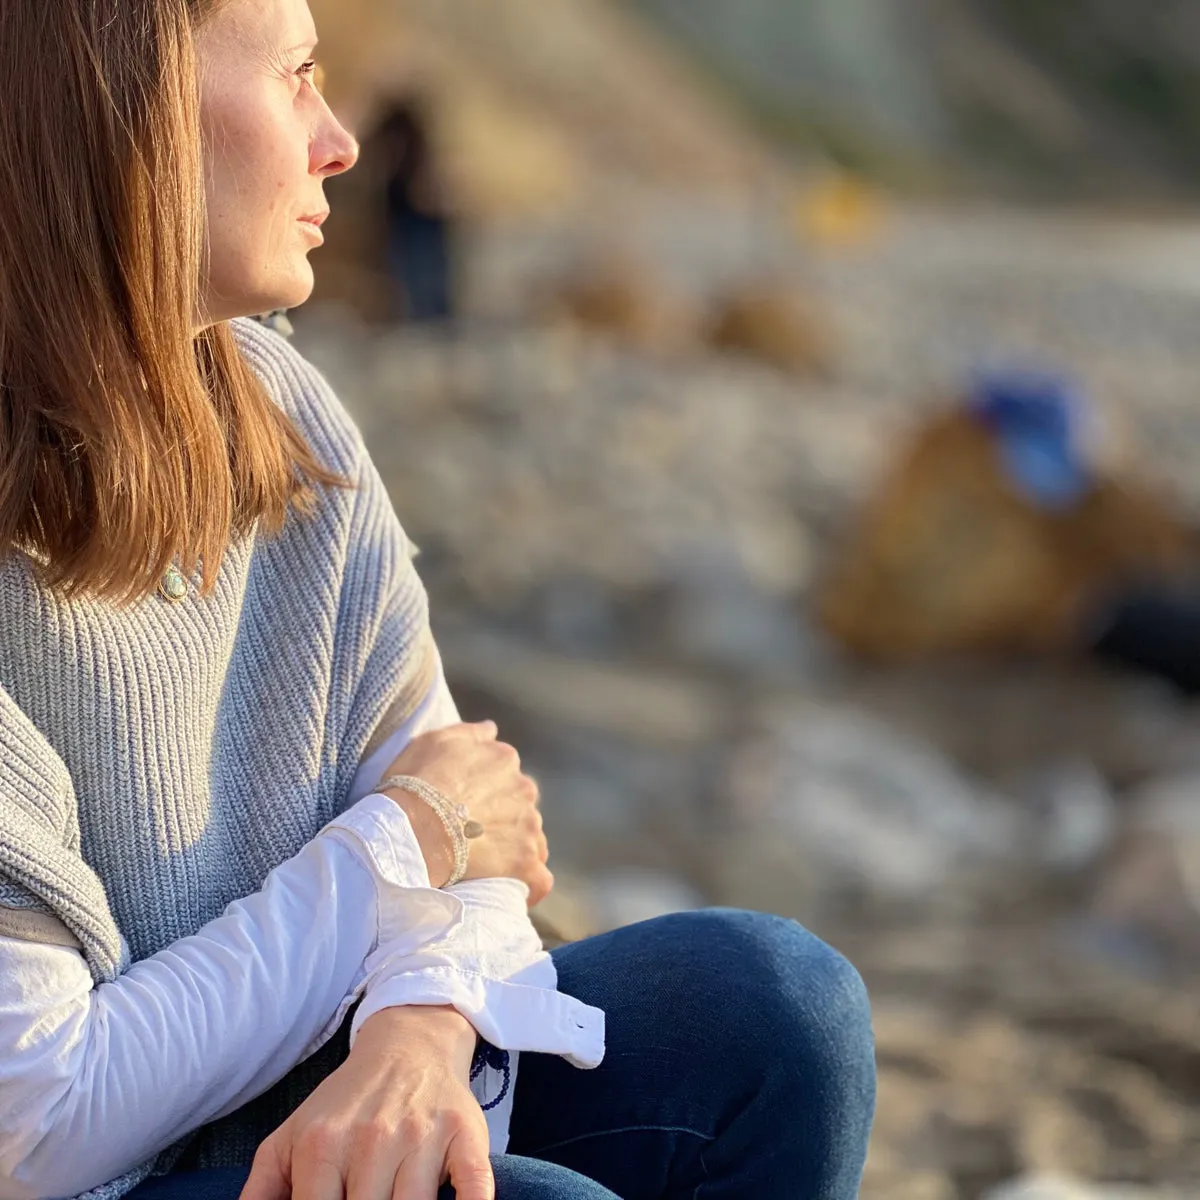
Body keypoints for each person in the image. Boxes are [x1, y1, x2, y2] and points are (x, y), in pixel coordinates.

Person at [0, 2, 876, 1199]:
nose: (340, 141)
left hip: (286, 1087)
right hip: (78, 1173)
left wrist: (420, 1026)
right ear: (124, 110)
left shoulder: (274, 400)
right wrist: (397, 848)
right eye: (298, 76)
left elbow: (479, 824)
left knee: (782, 1009)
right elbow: (35, 1116)